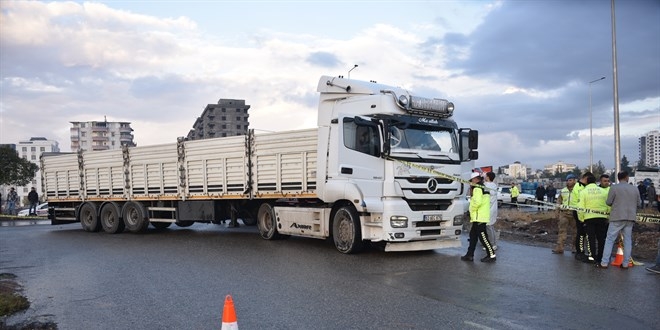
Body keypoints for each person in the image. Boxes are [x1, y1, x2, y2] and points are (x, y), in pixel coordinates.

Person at [596, 171, 640, 269]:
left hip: (617, 217)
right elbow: (638, 203)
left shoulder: (614, 188)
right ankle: (625, 264)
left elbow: (608, 202)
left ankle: (604, 263)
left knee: (610, 239)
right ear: (627, 177)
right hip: (630, 218)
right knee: (627, 240)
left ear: (618, 178)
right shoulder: (635, 189)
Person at [461, 172, 496, 262]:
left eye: (471, 180)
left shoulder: (477, 188)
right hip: (479, 216)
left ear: (475, 179)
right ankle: (470, 255)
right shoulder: (483, 187)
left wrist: (471, 210)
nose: (471, 183)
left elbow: (477, 202)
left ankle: (491, 255)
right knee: (473, 236)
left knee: (483, 237)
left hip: (479, 216)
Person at [578, 172, 610, 264]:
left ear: (587, 182)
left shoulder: (583, 192)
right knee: (601, 239)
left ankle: (592, 257)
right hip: (602, 217)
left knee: (590, 238)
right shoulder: (604, 191)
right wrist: (607, 216)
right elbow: (609, 206)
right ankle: (601, 257)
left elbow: (580, 208)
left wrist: (581, 219)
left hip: (589, 218)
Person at [552, 174, 580, 254]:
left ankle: (575, 247)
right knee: (562, 231)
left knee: (576, 232)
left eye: (570, 180)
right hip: (564, 213)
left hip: (575, 213)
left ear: (574, 180)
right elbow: (559, 201)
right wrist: (557, 211)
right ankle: (559, 248)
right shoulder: (563, 190)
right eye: (567, 180)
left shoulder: (579, 190)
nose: (568, 182)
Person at [573, 172, 590, 260]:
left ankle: (585, 251)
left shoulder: (585, 186)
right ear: (585, 178)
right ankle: (580, 251)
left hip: (586, 212)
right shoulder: (578, 187)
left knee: (586, 233)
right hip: (578, 212)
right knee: (581, 233)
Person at [483, 172, 498, 251]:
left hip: (489, 209)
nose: (484, 177)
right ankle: (491, 243)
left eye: (485, 176)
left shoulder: (487, 185)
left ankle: (492, 244)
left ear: (488, 177)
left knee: (489, 227)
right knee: (490, 226)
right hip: (492, 208)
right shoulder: (494, 185)